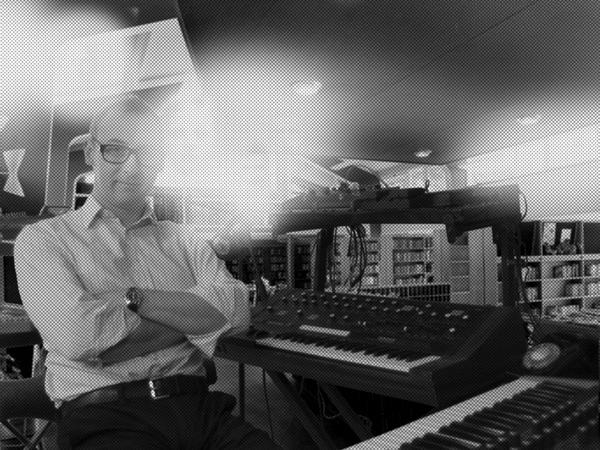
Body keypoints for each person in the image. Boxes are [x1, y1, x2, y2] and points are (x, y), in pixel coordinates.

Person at [14, 95, 282, 449]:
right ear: (91, 152)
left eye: (148, 151)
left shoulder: (184, 239)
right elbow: (79, 338)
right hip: (107, 417)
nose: (133, 166)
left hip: (201, 409)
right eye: (116, 150)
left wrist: (136, 302)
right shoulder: (43, 240)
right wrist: (192, 321)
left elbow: (234, 309)